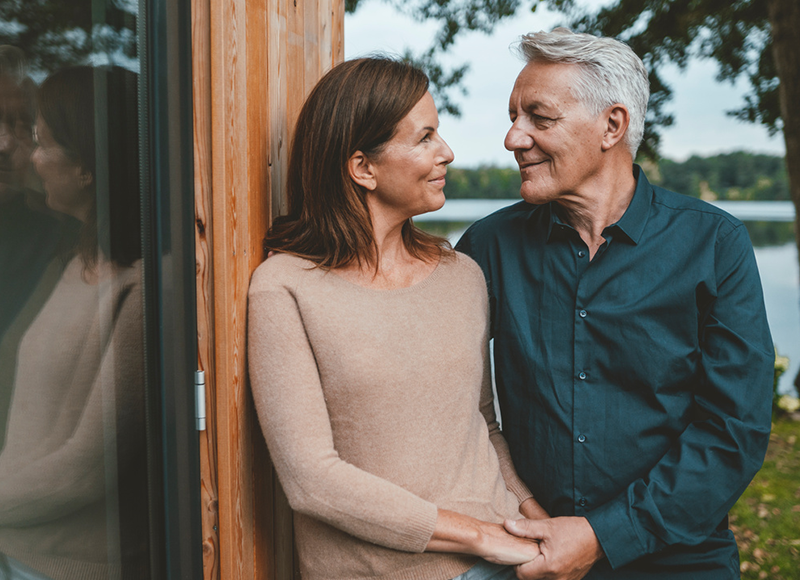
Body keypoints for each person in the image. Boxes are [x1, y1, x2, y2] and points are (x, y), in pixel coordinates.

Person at [456, 28, 774, 579]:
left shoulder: (714, 243)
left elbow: (733, 429)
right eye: (513, 116)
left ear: (612, 126)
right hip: (528, 552)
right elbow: (442, 397)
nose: (513, 138)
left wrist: (604, 535)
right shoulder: (487, 246)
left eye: (539, 117)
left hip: (680, 559)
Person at [247, 56, 548, 580]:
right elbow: (310, 480)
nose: (447, 153)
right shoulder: (286, 287)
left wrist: (535, 519)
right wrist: (477, 534)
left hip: (507, 563)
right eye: (425, 137)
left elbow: (481, 424)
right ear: (363, 167)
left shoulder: (462, 274)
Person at [0, 65, 148, 580]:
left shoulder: (145, 285)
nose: (29, 156)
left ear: (86, 165)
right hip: (19, 549)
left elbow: (89, 468)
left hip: (72, 566)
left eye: (39, 139)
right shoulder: (72, 260)